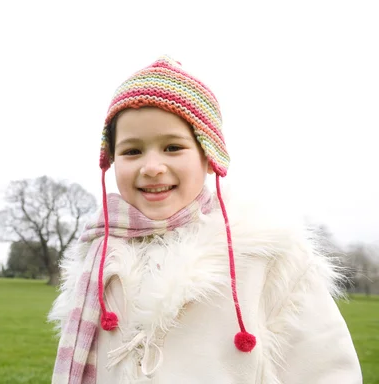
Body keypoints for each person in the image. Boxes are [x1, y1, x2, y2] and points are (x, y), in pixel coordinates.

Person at [47, 55, 362, 383]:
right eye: (131, 151)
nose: (152, 166)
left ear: (209, 157)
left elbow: (326, 369)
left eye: (172, 147)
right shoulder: (98, 256)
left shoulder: (267, 256)